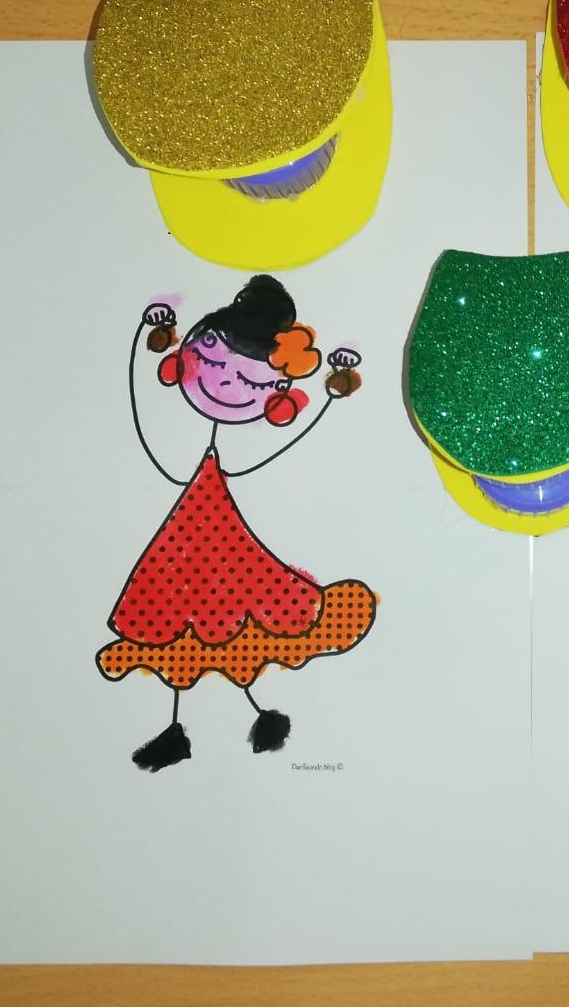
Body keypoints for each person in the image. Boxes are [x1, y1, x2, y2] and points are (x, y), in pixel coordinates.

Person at [96, 275, 375, 772]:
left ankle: (252, 712)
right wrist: (145, 342)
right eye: (211, 359)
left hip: (218, 540)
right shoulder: (185, 437)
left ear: (277, 392)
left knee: (235, 608)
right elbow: (157, 434)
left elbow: (263, 453)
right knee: (179, 614)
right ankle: (179, 726)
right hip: (189, 538)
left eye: (252, 381)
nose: (225, 383)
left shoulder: (240, 446)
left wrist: (332, 391)